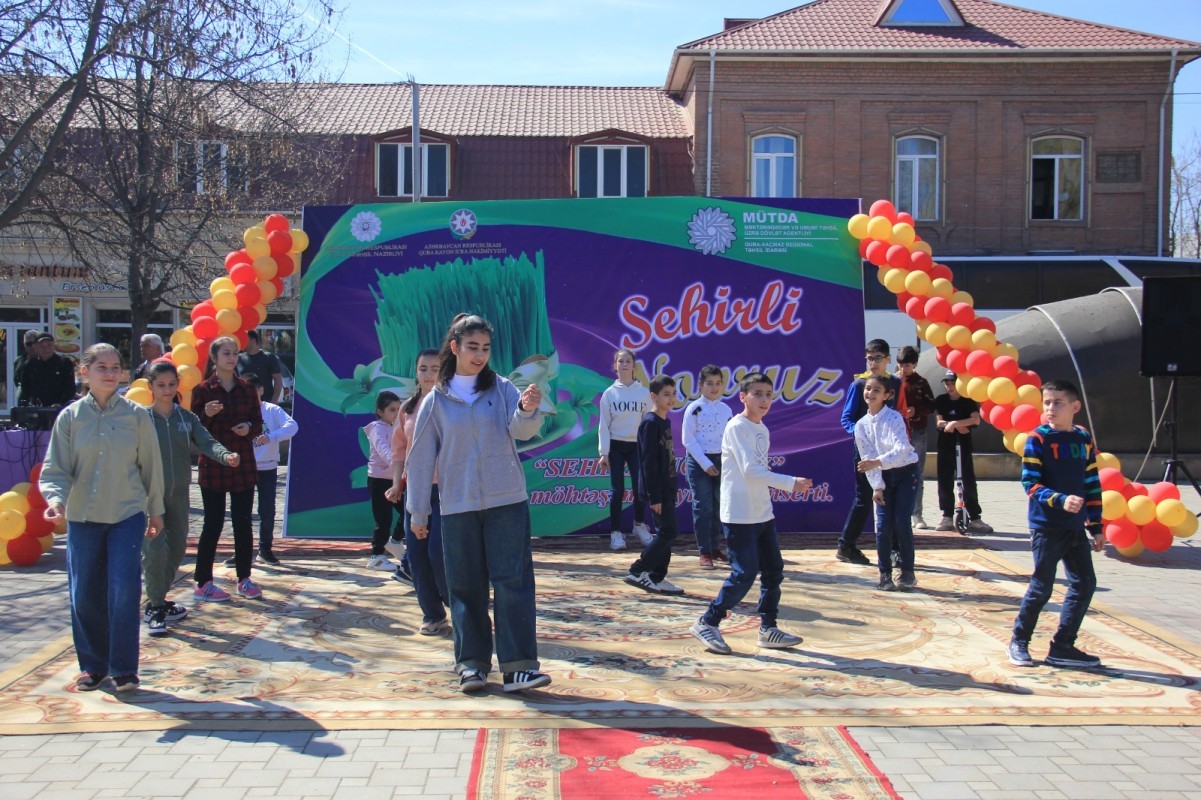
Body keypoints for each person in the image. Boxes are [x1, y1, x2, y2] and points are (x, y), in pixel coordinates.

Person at [405, 313, 549, 694]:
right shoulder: (436, 400)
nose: (480, 355)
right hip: (457, 505)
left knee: (513, 582)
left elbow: (522, 431)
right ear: (455, 347)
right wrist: (419, 512)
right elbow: (420, 459)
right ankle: (471, 665)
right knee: (465, 586)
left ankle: (519, 667)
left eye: (485, 348)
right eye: (472, 347)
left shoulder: (502, 389)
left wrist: (527, 409)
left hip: (508, 501)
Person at [40, 343, 165, 692]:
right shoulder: (70, 417)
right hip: (83, 516)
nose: (110, 373)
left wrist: (156, 510)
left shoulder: (137, 416)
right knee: (84, 593)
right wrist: (55, 500)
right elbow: (56, 468)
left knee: (123, 589)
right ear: (85, 372)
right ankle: (93, 666)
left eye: (115, 367)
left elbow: (151, 467)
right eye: (101, 367)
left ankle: (123, 668)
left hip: (126, 513)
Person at [690, 372, 812, 655]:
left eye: (768, 395)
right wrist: (790, 483)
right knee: (744, 573)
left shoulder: (762, 429)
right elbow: (750, 470)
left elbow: (758, 470)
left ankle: (768, 628)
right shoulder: (737, 427)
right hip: (739, 513)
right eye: (757, 394)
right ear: (743, 397)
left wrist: (776, 487)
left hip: (762, 512)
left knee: (773, 570)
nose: (764, 400)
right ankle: (708, 621)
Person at [1008, 379, 1105, 669]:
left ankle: (1063, 646)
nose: (1050, 408)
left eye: (1057, 403)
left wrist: (1096, 526)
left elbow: (1091, 481)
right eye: (1046, 402)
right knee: (1042, 588)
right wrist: (1059, 500)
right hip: (1046, 526)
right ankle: (1019, 641)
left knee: (1085, 583)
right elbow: (1030, 483)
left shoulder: (1082, 438)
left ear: (1075, 407)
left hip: (1075, 527)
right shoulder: (1037, 439)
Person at [143, 360, 239, 637]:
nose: (167, 390)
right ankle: (156, 606)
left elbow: (206, 442)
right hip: (149, 496)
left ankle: (159, 598)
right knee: (154, 549)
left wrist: (225, 456)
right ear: (150, 387)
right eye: (161, 385)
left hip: (179, 494)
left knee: (176, 548)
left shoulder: (186, 418)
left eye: (171, 384)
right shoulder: (140, 419)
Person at [191, 335, 264, 602]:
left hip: (242, 463)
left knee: (243, 523)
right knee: (213, 523)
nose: (232, 358)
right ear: (214, 357)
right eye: (226, 353)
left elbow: (258, 422)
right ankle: (203, 582)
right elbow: (194, 429)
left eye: (235, 353)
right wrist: (206, 415)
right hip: (213, 464)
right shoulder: (203, 390)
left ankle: (244, 579)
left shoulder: (247, 388)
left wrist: (249, 428)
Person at [386, 348, 450, 634]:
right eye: (424, 369)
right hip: (416, 491)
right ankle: (433, 615)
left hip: (448, 490)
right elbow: (399, 452)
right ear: (416, 372)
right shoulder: (407, 409)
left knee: (439, 552)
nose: (429, 375)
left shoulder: (451, 405)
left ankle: (459, 604)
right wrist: (396, 484)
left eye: (435, 369)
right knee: (417, 555)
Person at [836, 338, 901, 566]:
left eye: (878, 358)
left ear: (888, 359)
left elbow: (899, 413)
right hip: (865, 451)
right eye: (869, 359)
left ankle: (894, 549)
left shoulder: (896, 383)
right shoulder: (859, 385)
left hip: (890, 451)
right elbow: (846, 418)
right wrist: (862, 435)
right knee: (864, 498)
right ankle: (846, 545)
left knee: (891, 497)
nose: (873, 363)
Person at [855, 375, 920, 591]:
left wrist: (877, 462)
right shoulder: (861, 425)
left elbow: (901, 449)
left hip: (905, 472)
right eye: (868, 389)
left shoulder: (894, 418)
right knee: (883, 526)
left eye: (876, 390)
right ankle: (885, 574)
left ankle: (908, 571)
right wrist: (877, 486)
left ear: (887, 395)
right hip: (883, 477)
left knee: (901, 521)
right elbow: (866, 458)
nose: (870, 393)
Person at [623, 375, 685, 596]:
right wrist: (655, 496)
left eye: (673, 394)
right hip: (656, 490)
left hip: (667, 487)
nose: (671, 398)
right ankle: (638, 570)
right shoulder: (650, 423)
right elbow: (648, 463)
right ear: (653, 396)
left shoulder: (664, 421)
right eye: (666, 394)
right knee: (669, 532)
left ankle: (656, 577)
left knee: (666, 532)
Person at [597, 348, 653, 551]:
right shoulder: (609, 394)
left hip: (636, 446)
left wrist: (648, 449)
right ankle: (616, 533)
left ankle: (639, 525)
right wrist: (604, 453)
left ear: (634, 365)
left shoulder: (643, 393)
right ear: (615, 366)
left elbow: (648, 424)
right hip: (616, 446)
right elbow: (604, 425)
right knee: (617, 490)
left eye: (628, 361)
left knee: (640, 489)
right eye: (621, 361)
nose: (624, 364)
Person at [243, 371, 298, 566]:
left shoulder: (272, 410)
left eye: (252, 390)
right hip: (244, 467)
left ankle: (265, 549)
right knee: (242, 511)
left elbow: (292, 426)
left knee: (267, 509)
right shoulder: (237, 410)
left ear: (261, 390)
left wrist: (271, 437)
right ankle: (241, 550)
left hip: (267, 467)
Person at [682, 364, 732, 569]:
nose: (714, 388)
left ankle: (715, 547)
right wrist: (705, 463)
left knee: (720, 506)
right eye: (709, 383)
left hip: (721, 460)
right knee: (703, 506)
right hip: (699, 461)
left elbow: (730, 438)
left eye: (718, 383)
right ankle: (704, 552)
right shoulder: (694, 408)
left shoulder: (726, 409)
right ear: (700, 385)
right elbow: (688, 440)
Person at [933, 371, 993, 533]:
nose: (949, 387)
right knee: (945, 479)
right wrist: (957, 424)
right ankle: (947, 515)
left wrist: (954, 424)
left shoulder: (967, 400)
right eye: (947, 383)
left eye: (952, 383)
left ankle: (974, 517)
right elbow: (940, 422)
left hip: (963, 445)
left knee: (967, 479)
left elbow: (975, 419)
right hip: (945, 445)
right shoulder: (941, 400)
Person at [896, 346, 936, 530]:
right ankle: (898, 512)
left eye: (908, 365)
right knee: (895, 472)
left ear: (914, 365)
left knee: (917, 474)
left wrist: (916, 410)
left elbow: (931, 405)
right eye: (901, 365)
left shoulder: (921, 382)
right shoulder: (892, 381)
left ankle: (917, 514)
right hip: (897, 433)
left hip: (917, 431)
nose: (904, 369)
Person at [365, 390, 403, 571]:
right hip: (379, 480)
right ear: (380, 412)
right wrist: (398, 465)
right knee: (383, 520)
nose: (396, 413)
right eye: (392, 410)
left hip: (396, 480)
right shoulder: (376, 428)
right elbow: (384, 450)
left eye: (398, 409)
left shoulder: (397, 427)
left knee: (410, 511)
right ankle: (377, 557)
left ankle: (395, 542)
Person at [17, 332, 76, 407]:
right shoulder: (29, 365)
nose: (46, 349)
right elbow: (25, 389)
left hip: (60, 409)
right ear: (35, 347)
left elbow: (70, 388)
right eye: (42, 346)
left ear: (54, 346)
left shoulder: (64, 363)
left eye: (49, 345)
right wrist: (30, 403)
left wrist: (61, 404)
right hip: (36, 409)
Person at [237, 330, 284, 404]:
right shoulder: (238, 358)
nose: (241, 342)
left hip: (265, 403)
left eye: (244, 339)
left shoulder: (269, 357)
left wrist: (274, 399)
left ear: (254, 341)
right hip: (245, 404)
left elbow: (278, 380)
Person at [13, 329, 39, 393]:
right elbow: (17, 381)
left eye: (35, 343)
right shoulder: (18, 361)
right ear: (24, 344)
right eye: (29, 343)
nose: (32, 346)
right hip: (24, 396)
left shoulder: (46, 360)